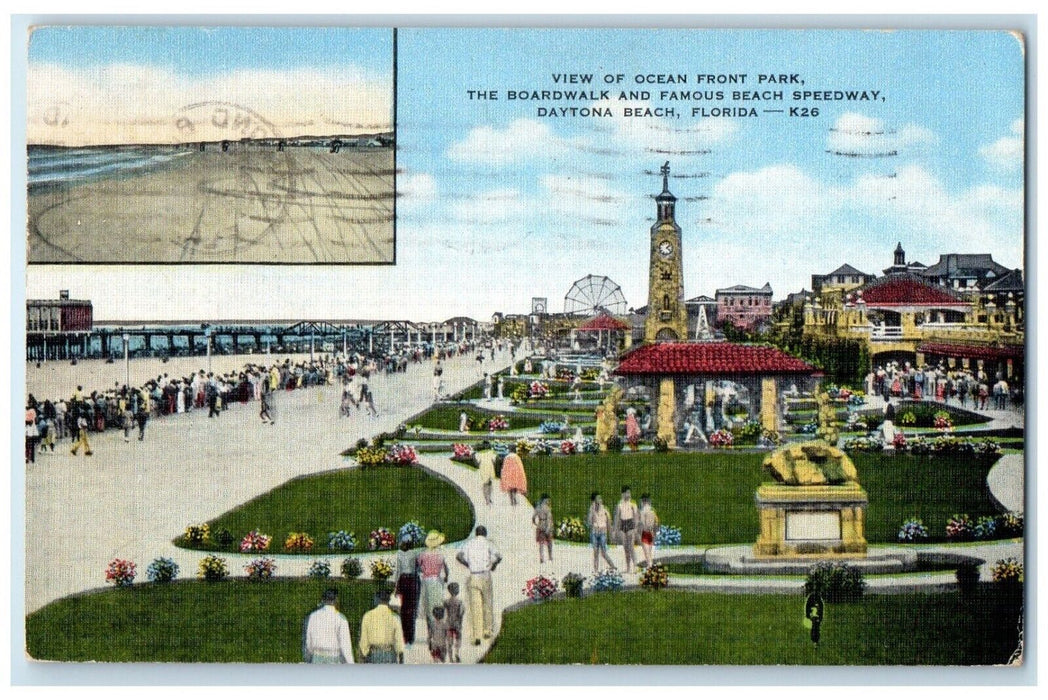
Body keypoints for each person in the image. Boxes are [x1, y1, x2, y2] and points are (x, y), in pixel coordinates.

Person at [455, 525, 502, 645]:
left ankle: (476, 635)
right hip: (485, 575)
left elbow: (459, 556)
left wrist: (468, 564)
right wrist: (493, 565)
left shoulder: (469, 544)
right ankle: (487, 630)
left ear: (476, 534)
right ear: (485, 534)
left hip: (474, 575)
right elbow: (498, 556)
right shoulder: (488, 543)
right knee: (487, 603)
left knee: (475, 606)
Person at [302, 588, 355, 664]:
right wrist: (351, 663)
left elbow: (308, 641)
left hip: (317, 656)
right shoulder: (341, 618)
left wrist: (308, 658)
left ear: (323, 599)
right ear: (336, 600)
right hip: (334, 657)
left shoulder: (313, 616)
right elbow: (345, 644)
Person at [359, 588, 405, 663]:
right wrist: (401, 660)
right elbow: (399, 640)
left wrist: (363, 657)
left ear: (377, 599)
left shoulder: (367, 616)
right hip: (390, 655)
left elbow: (364, 641)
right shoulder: (395, 617)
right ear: (389, 600)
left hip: (373, 655)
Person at [417, 530, 449, 630]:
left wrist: (423, 570)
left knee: (427, 605)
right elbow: (446, 568)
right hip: (437, 580)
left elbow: (418, 567)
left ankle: (430, 628)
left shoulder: (422, 554)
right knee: (437, 602)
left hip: (426, 580)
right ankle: (438, 626)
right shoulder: (440, 554)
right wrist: (446, 576)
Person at [393, 536, 420, 645]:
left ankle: (405, 636)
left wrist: (396, 586)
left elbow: (398, 571)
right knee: (411, 609)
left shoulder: (399, 554)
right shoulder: (415, 553)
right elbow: (417, 568)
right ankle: (410, 636)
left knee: (404, 609)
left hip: (403, 580)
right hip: (412, 580)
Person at [587, 493, 616, 573]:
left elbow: (609, 522)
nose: (600, 500)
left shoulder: (605, 509)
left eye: (600, 498)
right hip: (595, 533)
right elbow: (589, 523)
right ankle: (596, 570)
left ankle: (612, 566)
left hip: (602, 533)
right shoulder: (592, 509)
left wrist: (611, 534)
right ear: (594, 500)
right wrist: (592, 512)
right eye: (598, 498)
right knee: (595, 552)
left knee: (603, 552)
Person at [613, 486, 640, 572]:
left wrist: (636, 528)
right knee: (625, 547)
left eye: (629, 493)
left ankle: (635, 565)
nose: (628, 494)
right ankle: (628, 567)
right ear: (623, 494)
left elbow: (636, 516)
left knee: (631, 546)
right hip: (623, 524)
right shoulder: (619, 504)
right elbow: (617, 517)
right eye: (627, 493)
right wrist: (615, 530)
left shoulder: (633, 504)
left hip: (630, 524)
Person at [443, 582, 465, 663]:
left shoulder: (446, 602)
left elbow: (444, 612)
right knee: (458, 639)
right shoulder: (460, 602)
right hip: (457, 623)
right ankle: (457, 653)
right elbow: (461, 613)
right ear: (458, 591)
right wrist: (460, 622)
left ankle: (451, 658)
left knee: (449, 641)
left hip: (449, 623)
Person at [638, 493, 660, 569]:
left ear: (643, 501)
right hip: (652, 532)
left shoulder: (642, 511)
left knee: (647, 553)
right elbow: (656, 522)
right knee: (649, 552)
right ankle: (651, 566)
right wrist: (655, 531)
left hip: (645, 532)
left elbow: (642, 523)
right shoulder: (652, 510)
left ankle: (650, 567)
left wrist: (639, 532)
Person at [532, 494, 554, 564]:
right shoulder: (547, 508)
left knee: (541, 543)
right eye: (548, 500)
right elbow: (549, 519)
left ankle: (542, 558)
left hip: (540, 525)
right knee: (549, 542)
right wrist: (548, 528)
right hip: (546, 525)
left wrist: (535, 523)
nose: (548, 501)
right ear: (545, 500)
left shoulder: (538, 507)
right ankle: (550, 556)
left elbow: (533, 517)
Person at [476, 441, 496, 506]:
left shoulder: (489, 452)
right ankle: (487, 500)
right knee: (486, 484)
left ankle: (489, 498)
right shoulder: (481, 453)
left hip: (489, 469)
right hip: (485, 469)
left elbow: (477, 462)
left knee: (489, 483)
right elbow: (494, 461)